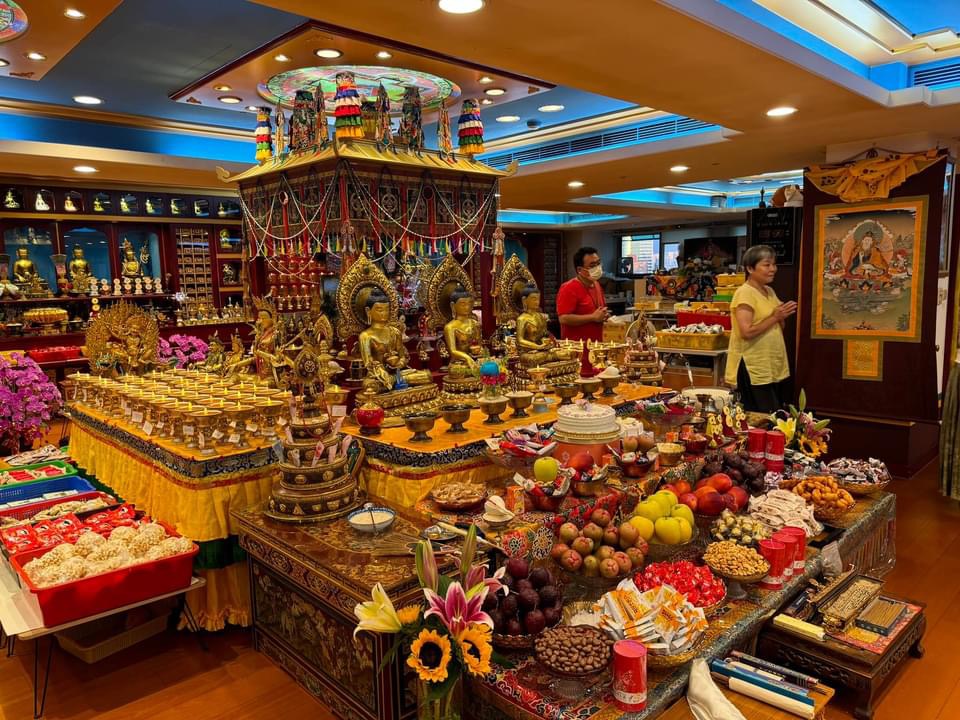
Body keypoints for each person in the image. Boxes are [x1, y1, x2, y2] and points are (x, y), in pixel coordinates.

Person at [725, 245, 797, 413]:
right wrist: (775, 317)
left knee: (776, 414)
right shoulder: (745, 293)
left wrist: (780, 317)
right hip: (752, 365)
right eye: (767, 265)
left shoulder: (769, 291)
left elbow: (778, 325)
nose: (773, 269)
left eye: (774, 264)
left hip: (770, 363)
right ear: (750, 268)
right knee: (762, 417)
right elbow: (746, 332)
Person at [557, 246, 609, 375]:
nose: (597, 267)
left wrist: (603, 316)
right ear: (580, 270)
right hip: (577, 352)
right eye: (592, 265)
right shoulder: (568, 288)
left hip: (596, 349)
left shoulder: (596, 285)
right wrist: (592, 317)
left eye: (598, 263)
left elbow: (598, 311)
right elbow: (563, 318)